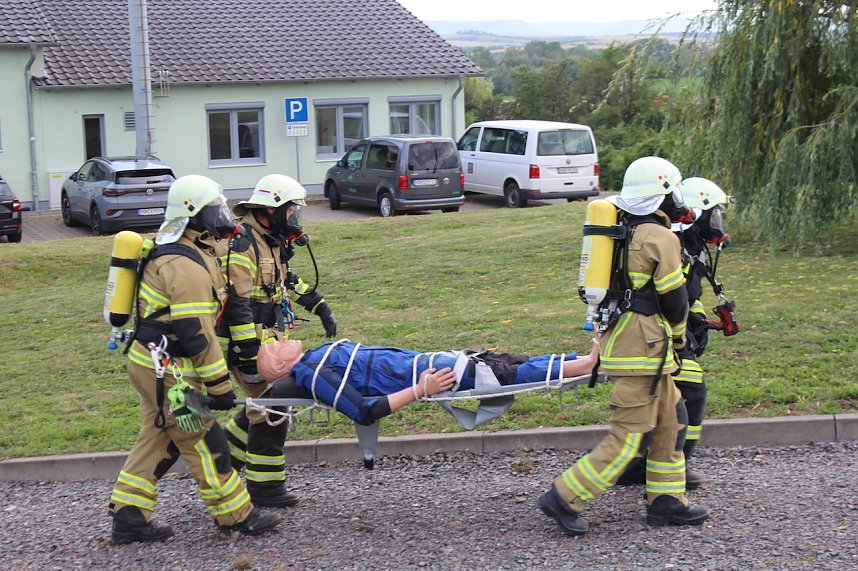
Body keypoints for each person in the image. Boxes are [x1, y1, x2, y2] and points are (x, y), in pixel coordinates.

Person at [538, 156, 710, 537]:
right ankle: (564, 496)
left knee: (672, 420)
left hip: (636, 346)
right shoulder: (661, 238)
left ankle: (666, 501)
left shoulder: (622, 231)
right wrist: (680, 334)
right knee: (630, 436)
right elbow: (674, 299)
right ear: (664, 193)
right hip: (644, 350)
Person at [107, 175, 278, 543]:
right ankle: (235, 516)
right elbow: (196, 333)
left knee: (159, 436)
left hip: (159, 364)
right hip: (167, 367)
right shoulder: (182, 263)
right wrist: (218, 387)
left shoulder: (196, 250)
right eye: (215, 208)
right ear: (192, 215)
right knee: (203, 437)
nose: (223, 214)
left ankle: (129, 515)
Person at [217, 174, 337, 509]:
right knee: (273, 408)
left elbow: (286, 282)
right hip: (250, 346)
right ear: (270, 210)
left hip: (268, 341)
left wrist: (318, 305)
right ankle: (265, 489)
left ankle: (223, 462)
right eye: (291, 211)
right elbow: (238, 303)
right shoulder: (243, 244)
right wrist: (247, 353)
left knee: (264, 407)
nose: (294, 219)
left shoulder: (270, 240)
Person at [616, 177, 735, 490]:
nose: (717, 223)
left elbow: (689, 297)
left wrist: (702, 321)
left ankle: (643, 463)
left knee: (664, 402)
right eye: (713, 215)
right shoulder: (675, 245)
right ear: (698, 213)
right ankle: (671, 464)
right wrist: (683, 336)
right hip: (655, 336)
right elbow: (671, 297)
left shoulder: (691, 248)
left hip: (663, 334)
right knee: (690, 392)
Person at [252, 337, 600, 425]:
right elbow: (363, 412)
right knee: (509, 373)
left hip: (432, 361)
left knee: (506, 363)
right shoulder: (312, 372)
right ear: (281, 365)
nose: (280, 339)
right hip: (431, 374)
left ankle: (581, 363)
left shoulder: (314, 358)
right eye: (275, 346)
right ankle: (585, 364)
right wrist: (420, 391)